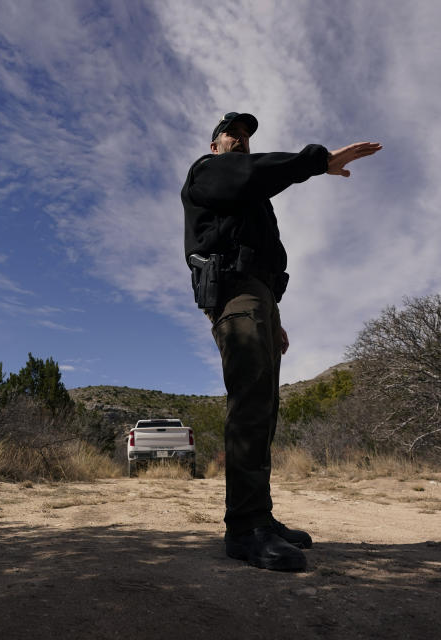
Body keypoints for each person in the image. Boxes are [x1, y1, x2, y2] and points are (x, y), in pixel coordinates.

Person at [181, 112, 381, 571]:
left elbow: (258, 253)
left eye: (247, 135)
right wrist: (315, 161)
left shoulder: (247, 194)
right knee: (250, 403)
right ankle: (245, 529)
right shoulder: (210, 171)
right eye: (233, 134)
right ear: (215, 146)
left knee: (265, 408)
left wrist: (275, 317)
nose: (242, 140)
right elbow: (252, 175)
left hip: (259, 298)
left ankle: (261, 519)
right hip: (236, 295)